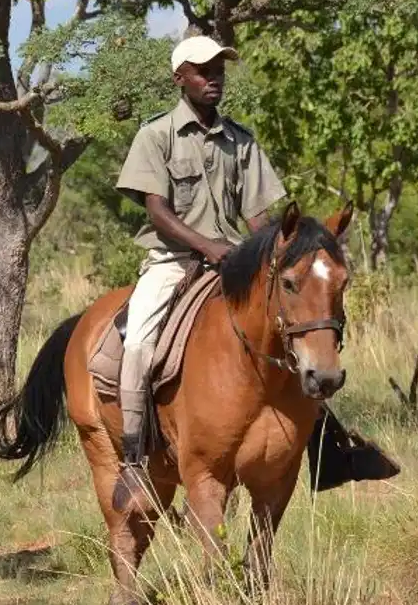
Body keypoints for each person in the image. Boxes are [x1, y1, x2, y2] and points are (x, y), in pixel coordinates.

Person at [112, 35, 287, 512]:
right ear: (179, 78)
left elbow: (257, 216)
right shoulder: (157, 135)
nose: (214, 78)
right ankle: (133, 456)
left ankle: (329, 448)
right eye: (202, 70)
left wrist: (268, 252)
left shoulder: (242, 140)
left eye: (219, 70)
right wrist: (209, 246)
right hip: (174, 261)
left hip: (237, 261)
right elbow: (156, 210)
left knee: (294, 329)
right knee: (139, 341)